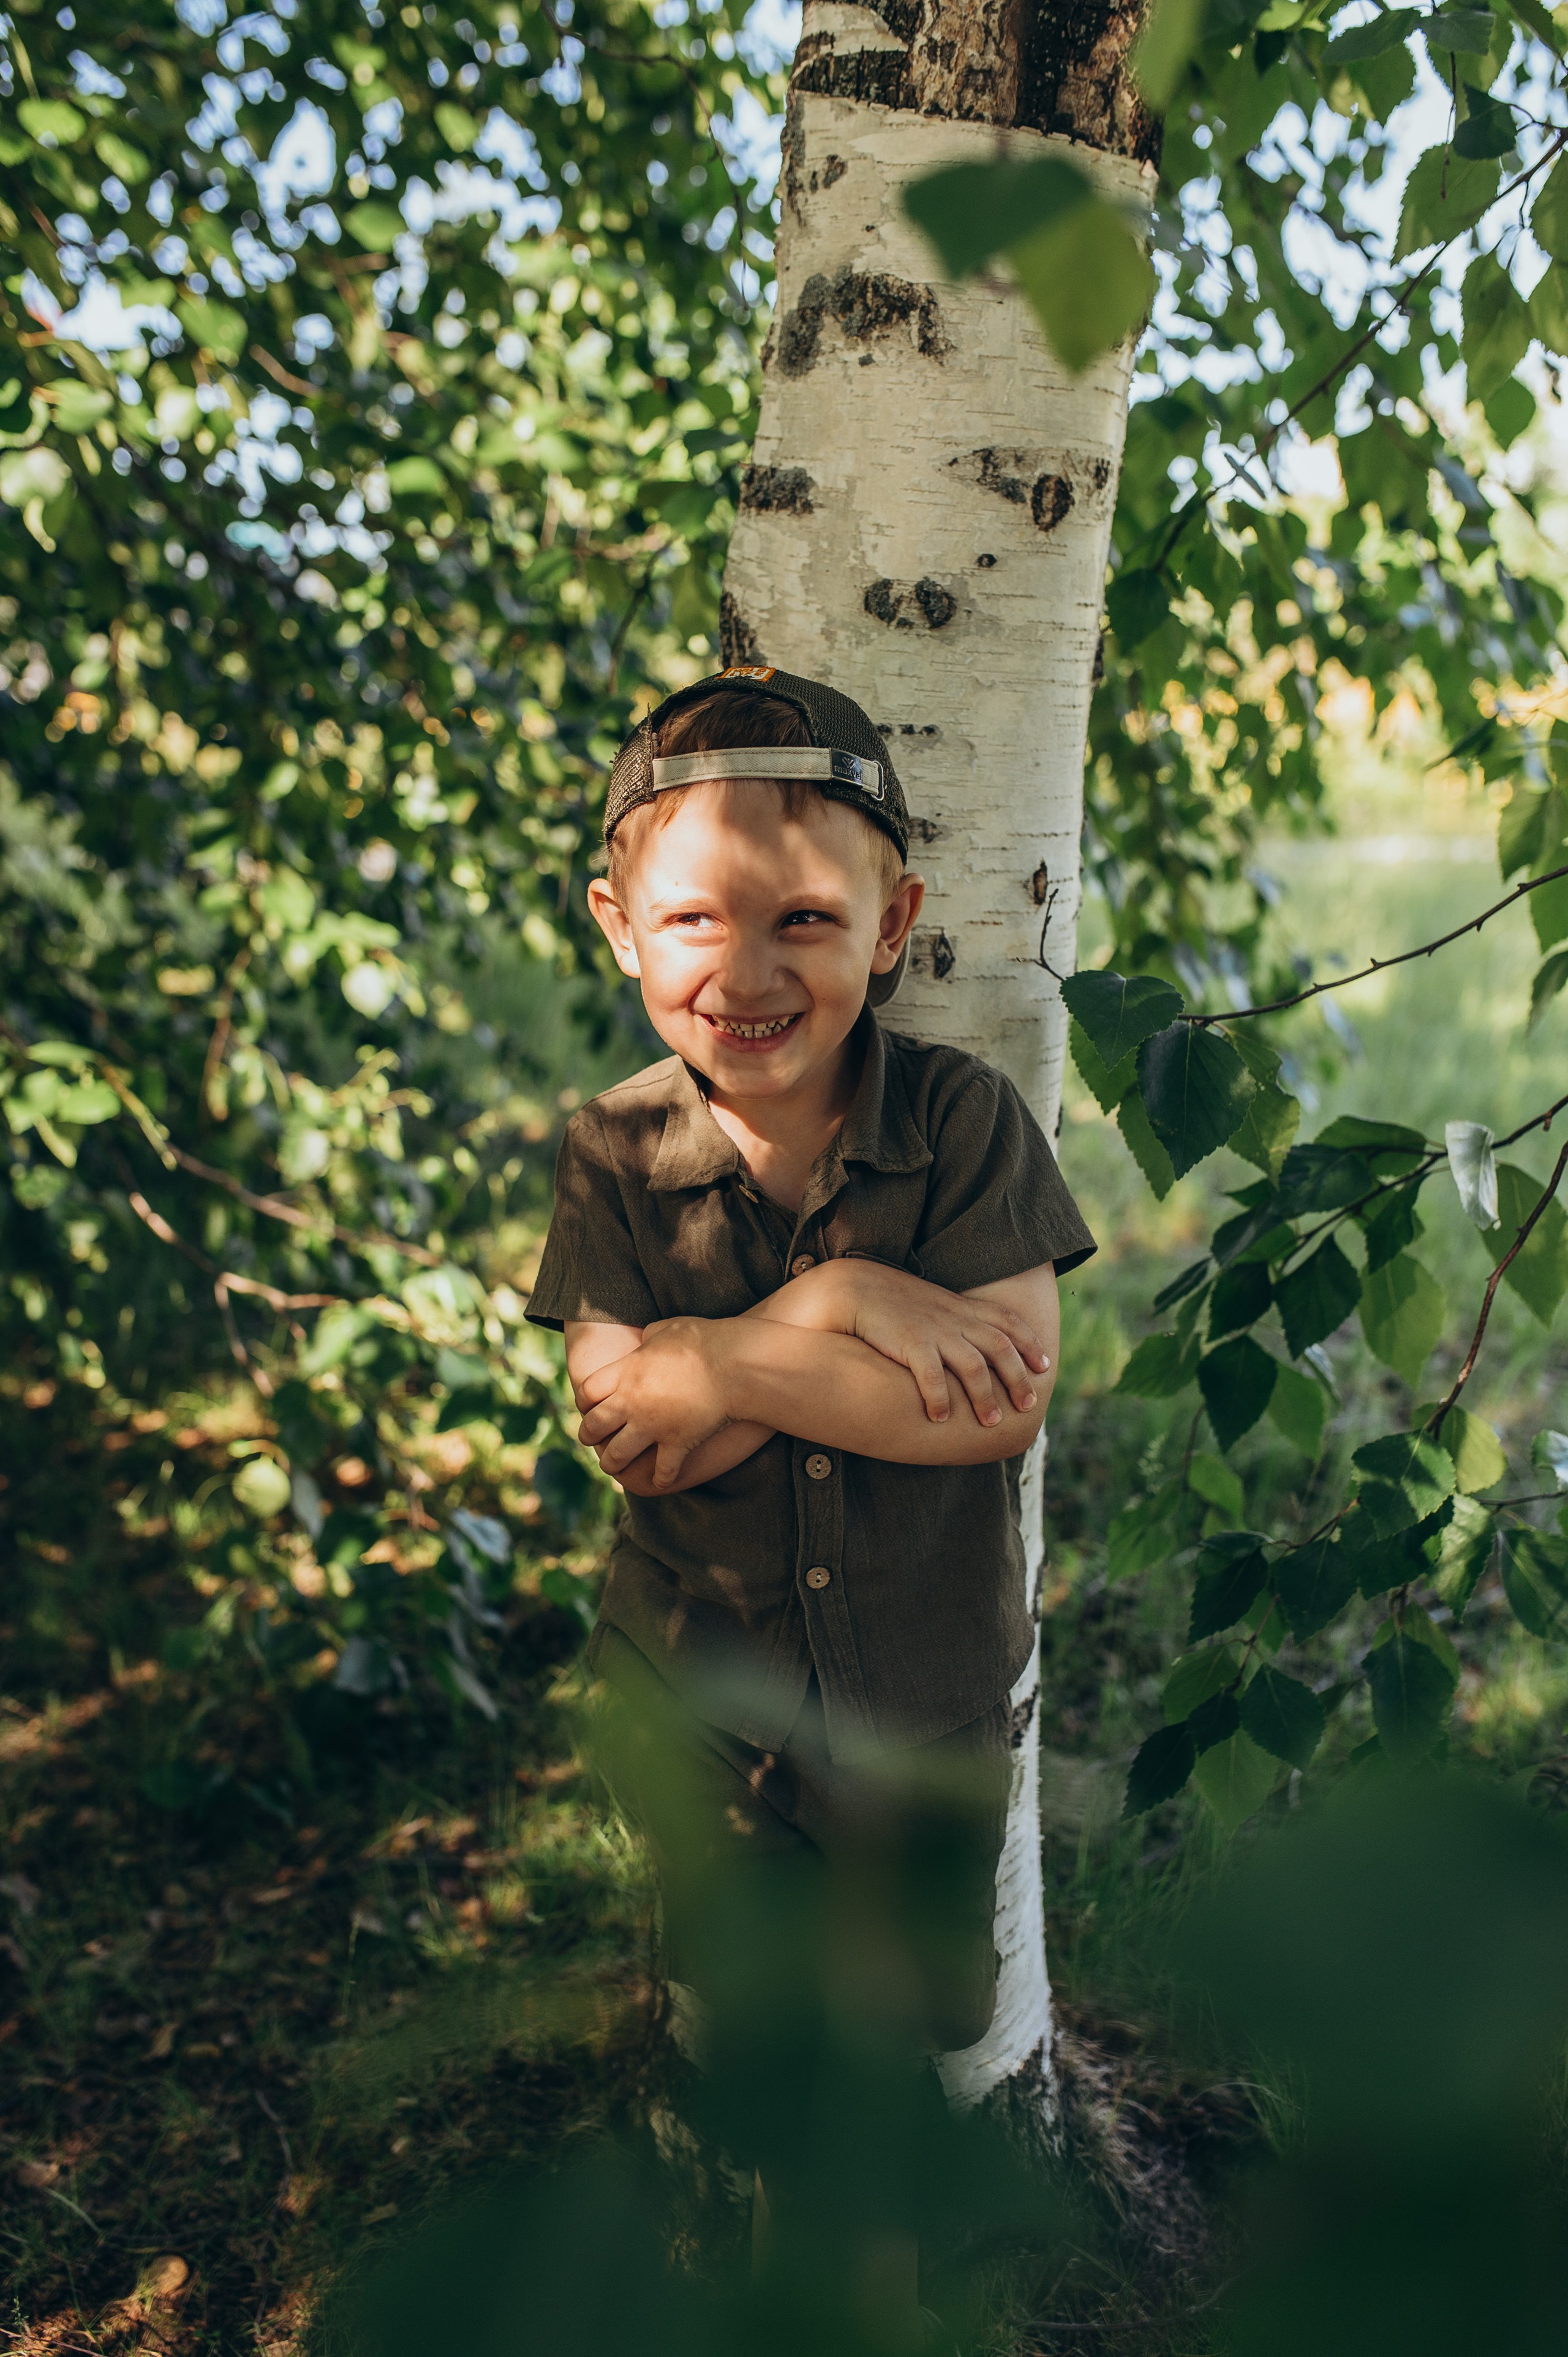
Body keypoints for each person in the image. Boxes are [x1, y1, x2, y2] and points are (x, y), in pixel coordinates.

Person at [525, 665, 1095, 2348]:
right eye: (697, 917)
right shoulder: (614, 1155)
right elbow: (633, 1435)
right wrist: (837, 1320)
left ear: (895, 919)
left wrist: (718, 1364)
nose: (749, 972)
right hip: (707, 1707)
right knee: (799, 2063)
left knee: (872, 2059)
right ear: (620, 924)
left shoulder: (962, 1125)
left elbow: (993, 1404)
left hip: (918, 1705)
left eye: (805, 920)